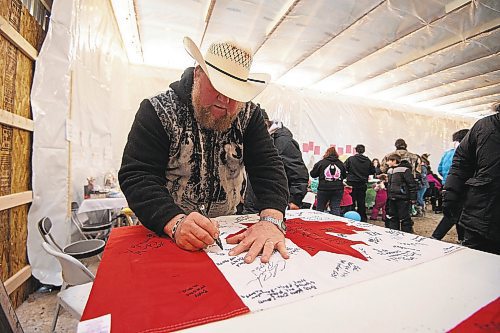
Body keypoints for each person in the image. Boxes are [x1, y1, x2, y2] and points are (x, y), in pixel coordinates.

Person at [119, 37, 290, 264]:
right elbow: (137, 175)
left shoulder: (249, 115)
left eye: (234, 93)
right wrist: (174, 221)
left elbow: (268, 167)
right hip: (166, 229)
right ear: (198, 73)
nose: (225, 100)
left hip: (227, 233)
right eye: (218, 87)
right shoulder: (157, 110)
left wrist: (271, 220)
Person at [442, 102, 500, 255]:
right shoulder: (484, 126)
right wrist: (451, 192)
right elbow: (462, 160)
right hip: (482, 213)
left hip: (481, 210)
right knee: (475, 263)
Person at [243, 108, 308, 213]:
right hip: (249, 205)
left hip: (268, 207)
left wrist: (295, 200)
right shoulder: (248, 140)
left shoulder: (284, 142)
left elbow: (298, 173)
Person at [431, 129, 469, 241]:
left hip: (447, 185)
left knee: (457, 212)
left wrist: (447, 178)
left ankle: (461, 238)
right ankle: (436, 236)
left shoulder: (447, 153)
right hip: (461, 186)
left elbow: (439, 169)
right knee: (454, 214)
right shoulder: (466, 152)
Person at [310, 147, 346, 216]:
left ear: (326, 153)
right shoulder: (341, 163)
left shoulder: (321, 163)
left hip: (323, 188)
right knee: (335, 208)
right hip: (338, 189)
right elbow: (344, 176)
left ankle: (319, 223)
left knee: (320, 208)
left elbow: (313, 174)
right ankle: (336, 224)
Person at [385, 154, 417, 232]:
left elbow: (411, 184)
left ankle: (407, 233)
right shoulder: (389, 171)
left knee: (404, 217)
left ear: (394, 161)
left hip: (403, 198)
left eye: (389, 160)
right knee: (392, 216)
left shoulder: (405, 170)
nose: (387, 162)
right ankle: (394, 233)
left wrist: (413, 197)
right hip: (392, 197)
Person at [344, 144, 375, 221]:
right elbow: (373, 171)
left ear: (356, 150)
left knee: (352, 201)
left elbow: (344, 168)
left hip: (351, 183)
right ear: (364, 150)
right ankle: (363, 218)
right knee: (361, 201)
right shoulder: (368, 160)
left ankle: (351, 217)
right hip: (362, 183)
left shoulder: (350, 159)